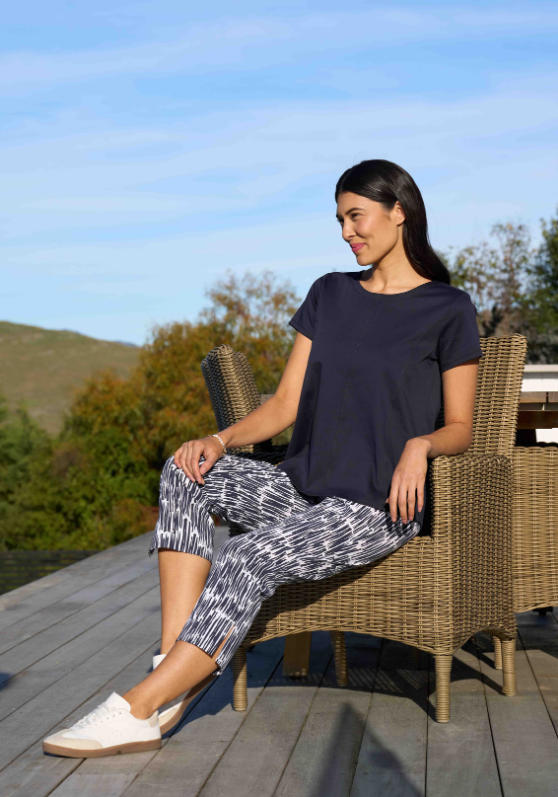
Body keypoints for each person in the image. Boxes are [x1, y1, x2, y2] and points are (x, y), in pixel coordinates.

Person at [43, 159, 484, 758]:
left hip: (377, 506)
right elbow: (284, 403)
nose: (347, 232)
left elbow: (462, 427)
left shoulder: (448, 307)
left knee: (246, 555)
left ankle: (140, 708)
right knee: (186, 470)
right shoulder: (330, 293)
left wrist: (420, 445)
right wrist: (219, 441)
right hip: (303, 489)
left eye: (356, 216)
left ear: (398, 211)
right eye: (340, 220)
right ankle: (174, 664)